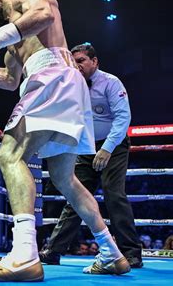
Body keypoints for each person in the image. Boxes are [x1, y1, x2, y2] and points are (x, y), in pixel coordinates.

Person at [0, 0, 130, 281]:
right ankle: (111, 254)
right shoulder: (14, 43)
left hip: (53, 77)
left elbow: (44, 15)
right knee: (65, 179)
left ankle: (24, 254)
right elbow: (11, 80)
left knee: (8, 155)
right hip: (59, 84)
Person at [39, 44, 143, 268]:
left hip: (113, 145)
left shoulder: (111, 82)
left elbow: (123, 117)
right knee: (75, 195)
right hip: (85, 146)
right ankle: (53, 250)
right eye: (74, 60)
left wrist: (106, 148)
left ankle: (131, 253)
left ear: (95, 62)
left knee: (113, 193)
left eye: (82, 60)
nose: (77, 65)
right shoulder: (71, 85)